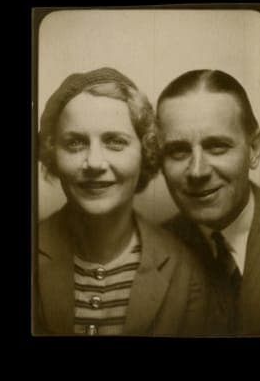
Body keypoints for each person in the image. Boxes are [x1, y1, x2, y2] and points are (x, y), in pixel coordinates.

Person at [36, 68, 211, 335]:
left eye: (115, 142)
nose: (94, 162)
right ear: (52, 154)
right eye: (75, 143)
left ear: (146, 152)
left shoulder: (184, 271)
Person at [156, 69, 260, 335]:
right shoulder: (150, 250)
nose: (197, 171)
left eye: (217, 146)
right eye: (178, 151)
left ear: (254, 149)